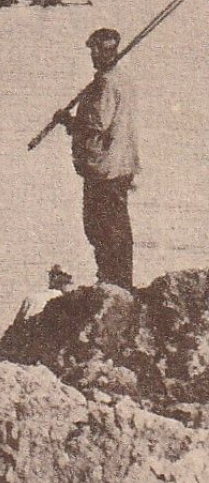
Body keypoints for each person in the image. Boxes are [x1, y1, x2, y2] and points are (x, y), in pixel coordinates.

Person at [55, 28, 140, 289]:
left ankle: (111, 281)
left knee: (99, 227)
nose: (93, 54)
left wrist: (67, 120)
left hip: (105, 168)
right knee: (116, 225)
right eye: (92, 49)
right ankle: (118, 281)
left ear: (110, 51)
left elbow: (96, 124)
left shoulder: (105, 83)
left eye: (98, 49)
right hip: (121, 166)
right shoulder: (121, 79)